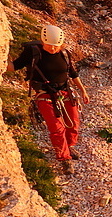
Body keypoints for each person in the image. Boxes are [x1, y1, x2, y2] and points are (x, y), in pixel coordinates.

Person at [7, 24, 90, 174]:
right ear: (42, 41)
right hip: (44, 95)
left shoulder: (64, 53)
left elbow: (72, 73)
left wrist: (83, 91)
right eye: (49, 45)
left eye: (56, 46)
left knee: (73, 123)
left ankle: (69, 146)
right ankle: (64, 159)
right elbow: (14, 66)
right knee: (56, 128)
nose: (52, 48)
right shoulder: (32, 53)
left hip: (65, 92)